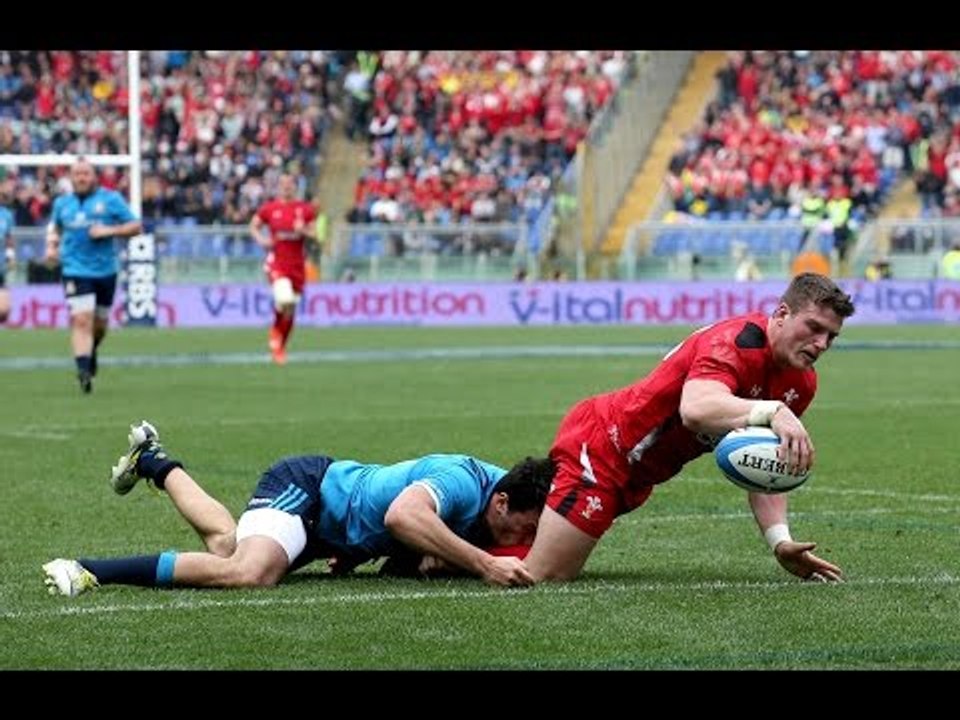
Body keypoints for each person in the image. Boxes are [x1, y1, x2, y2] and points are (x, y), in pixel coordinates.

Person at [523, 272, 856, 584]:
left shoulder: (802, 383)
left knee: (522, 537)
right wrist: (774, 410)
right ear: (783, 313)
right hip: (602, 448)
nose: (822, 343)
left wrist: (780, 541)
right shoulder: (734, 343)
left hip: (639, 474)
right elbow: (696, 409)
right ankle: (474, 556)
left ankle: (483, 528)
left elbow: (767, 463)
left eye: (831, 336)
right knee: (546, 574)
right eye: (813, 327)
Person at [43, 421, 553, 597]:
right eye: (520, 530)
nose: (515, 541)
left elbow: (421, 545)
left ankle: (155, 462)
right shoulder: (462, 482)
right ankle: (88, 570)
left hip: (329, 532)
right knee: (248, 573)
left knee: (224, 549)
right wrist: (483, 563)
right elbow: (403, 516)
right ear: (502, 500)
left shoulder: (502, 496)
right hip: (307, 490)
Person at [44, 159, 142, 393]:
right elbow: (55, 228)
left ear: (94, 176)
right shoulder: (62, 204)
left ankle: (91, 350)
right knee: (81, 320)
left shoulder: (111, 199)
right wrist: (51, 248)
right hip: (74, 270)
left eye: (85, 173)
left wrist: (109, 230)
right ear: (71, 177)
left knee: (99, 325)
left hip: (105, 271)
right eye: (77, 174)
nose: (81, 178)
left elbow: (135, 226)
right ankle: (84, 372)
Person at [249, 173, 316, 365]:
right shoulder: (270, 209)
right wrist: (262, 240)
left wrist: (303, 230)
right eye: (283, 184)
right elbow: (253, 226)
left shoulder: (305, 209)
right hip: (276, 263)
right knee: (284, 298)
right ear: (278, 187)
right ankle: (276, 343)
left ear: (295, 186)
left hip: (297, 266)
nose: (286, 187)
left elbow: (316, 235)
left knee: (289, 309)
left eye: (290, 184)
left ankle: (279, 346)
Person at [0, 192, 14, 324]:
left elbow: (9, 238)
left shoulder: (6, 214)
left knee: (4, 311)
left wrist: (10, 255)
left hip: (0, 267)